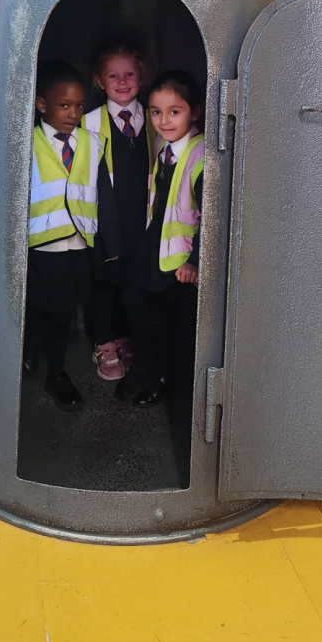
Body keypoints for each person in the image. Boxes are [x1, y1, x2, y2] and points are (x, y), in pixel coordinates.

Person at [25, 59, 111, 409]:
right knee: (48, 309)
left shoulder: (93, 142)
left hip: (80, 243)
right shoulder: (27, 143)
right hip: (41, 246)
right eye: (64, 105)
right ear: (41, 104)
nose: (73, 113)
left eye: (78, 106)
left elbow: (103, 193)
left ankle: (44, 359)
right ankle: (55, 372)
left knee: (65, 309)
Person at [116, 70, 204, 409]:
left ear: (194, 112)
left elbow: (212, 215)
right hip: (154, 241)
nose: (164, 121)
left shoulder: (201, 156)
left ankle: (163, 376)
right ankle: (142, 366)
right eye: (156, 112)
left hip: (180, 255)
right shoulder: (161, 145)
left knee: (170, 320)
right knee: (133, 301)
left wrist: (195, 261)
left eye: (174, 112)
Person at [82, 45, 154, 382]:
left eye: (129, 74)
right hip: (105, 219)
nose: (122, 82)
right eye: (113, 75)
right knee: (104, 282)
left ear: (141, 77)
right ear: (100, 81)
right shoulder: (89, 123)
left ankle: (125, 337)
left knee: (133, 279)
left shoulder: (156, 118)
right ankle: (104, 342)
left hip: (142, 218)